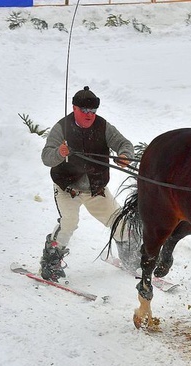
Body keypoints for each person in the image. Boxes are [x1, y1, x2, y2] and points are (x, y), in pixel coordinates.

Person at [39, 86, 139, 282]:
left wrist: (125, 156)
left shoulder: (103, 127)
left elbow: (124, 144)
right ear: (75, 108)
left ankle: (131, 259)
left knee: (120, 222)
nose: (89, 115)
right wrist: (59, 153)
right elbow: (46, 158)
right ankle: (50, 262)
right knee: (69, 223)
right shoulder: (62, 128)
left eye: (93, 111)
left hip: (95, 188)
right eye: (84, 110)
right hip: (68, 188)